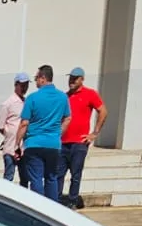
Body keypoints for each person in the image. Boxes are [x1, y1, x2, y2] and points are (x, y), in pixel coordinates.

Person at [17, 66, 69, 202]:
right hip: (53, 144)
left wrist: (17, 143)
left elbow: (24, 123)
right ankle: (52, 208)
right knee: (51, 177)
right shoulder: (62, 97)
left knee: (36, 178)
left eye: (36, 79)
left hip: (34, 143)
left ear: (43, 78)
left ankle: (38, 207)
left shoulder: (32, 98)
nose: (35, 82)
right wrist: (58, 134)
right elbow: (67, 118)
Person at [60, 67, 108, 208]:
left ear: (82, 79)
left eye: (75, 78)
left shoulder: (90, 94)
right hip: (63, 142)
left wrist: (94, 133)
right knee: (59, 173)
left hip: (79, 143)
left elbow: (103, 111)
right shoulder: (65, 96)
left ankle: (73, 200)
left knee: (76, 174)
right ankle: (56, 199)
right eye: (70, 78)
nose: (72, 81)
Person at [0, 73, 31, 185]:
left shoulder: (27, 102)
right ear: (16, 85)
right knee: (9, 176)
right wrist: (10, 134)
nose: (24, 88)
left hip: (24, 147)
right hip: (10, 147)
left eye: (26, 85)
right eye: (21, 85)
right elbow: (0, 125)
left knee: (25, 177)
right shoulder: (7, 103)